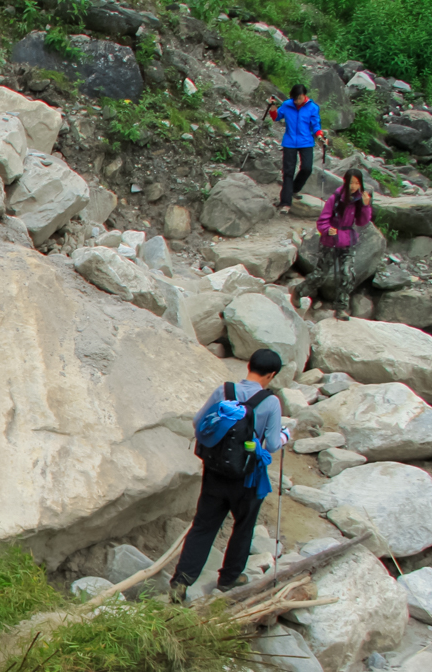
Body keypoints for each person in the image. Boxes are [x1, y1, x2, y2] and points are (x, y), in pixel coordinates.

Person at [169, 349, 290, 603]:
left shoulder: (224, 391)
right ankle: (228, 579)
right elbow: (272, 444)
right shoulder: (270, 402)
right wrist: (284, 436)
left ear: (249, 365)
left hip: (215, 472)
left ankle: (181, 582)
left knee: (203, 526)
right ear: (271, 375)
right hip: (248, 477)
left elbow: (198, 421)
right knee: (243, 527)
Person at [292, 169, 372, 320]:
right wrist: (328, 230)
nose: (354, 186)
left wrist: (366, 206)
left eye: (357, 183)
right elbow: (322, 220)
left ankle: (341, 309)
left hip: (348, 241)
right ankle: (299, 291)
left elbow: (362, 222)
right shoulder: (335, 198)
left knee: (347, 274)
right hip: (330, 241)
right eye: (351, 182)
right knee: (320, 275)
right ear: (345, 182)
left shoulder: (360, 199)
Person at [267, 85, 325, 214]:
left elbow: (316, 125)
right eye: (295, 99)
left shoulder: (312, 108)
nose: (297, 101)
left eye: (299, 98)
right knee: (288, 172)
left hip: (306, 142)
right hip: (289, 142)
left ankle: (293, 189)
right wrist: (272, 107)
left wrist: (320, 136)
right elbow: (276, 117)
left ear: (304, 96)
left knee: (307, 168)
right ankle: (285, 203)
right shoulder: (287, 105)